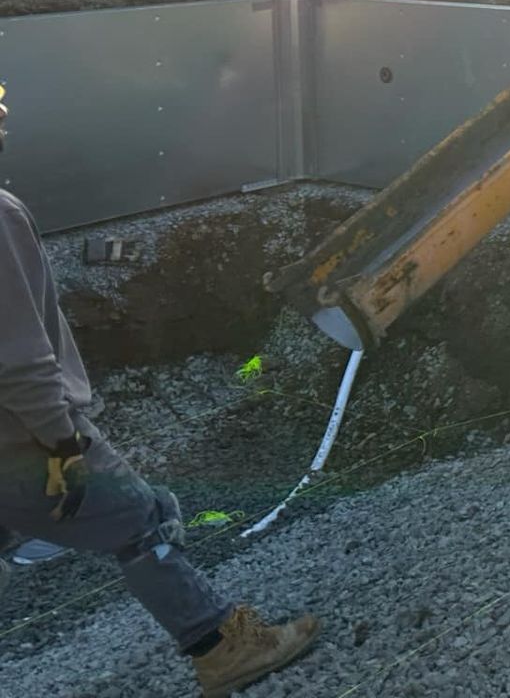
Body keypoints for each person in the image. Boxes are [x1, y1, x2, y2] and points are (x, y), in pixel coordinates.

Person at [0, 87, 321, 696]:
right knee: (144, 521)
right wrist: (62, 445)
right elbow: (18, 361)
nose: (3, 112)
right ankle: (221, 646)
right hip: (23, 437)